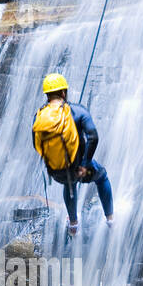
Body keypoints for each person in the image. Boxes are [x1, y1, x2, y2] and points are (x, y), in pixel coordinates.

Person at [31, 72, 115, 236]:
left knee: (69, 183)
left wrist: (53, 160)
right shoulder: (78, 111)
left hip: (56, 172)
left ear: (47, 95)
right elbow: (93, 137)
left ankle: (73, 223)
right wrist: (84, 164)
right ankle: (111, 219)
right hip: (81, 169)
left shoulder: (39, 117)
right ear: (63, 93)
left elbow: (36, 144)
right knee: (102, 176)